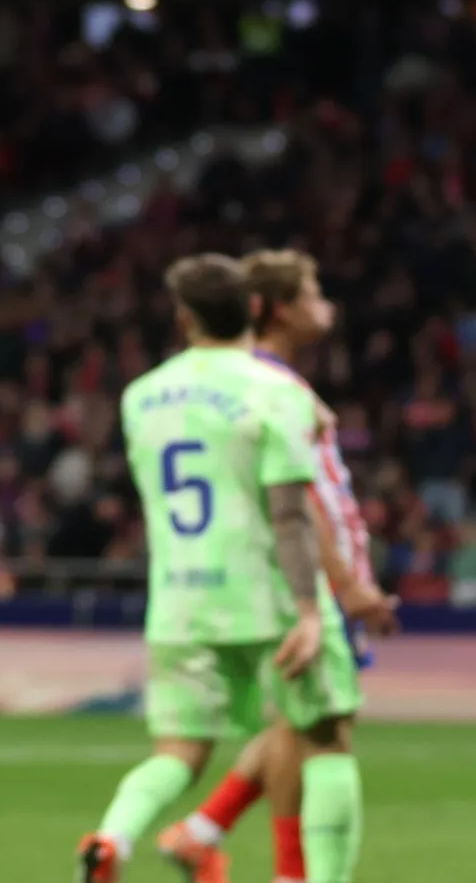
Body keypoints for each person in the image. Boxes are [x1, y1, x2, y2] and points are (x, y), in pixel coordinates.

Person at [77, 254, 363, 883]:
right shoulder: (278, 391)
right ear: (254, 309)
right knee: (324, 738)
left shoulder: (140, 396)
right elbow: (290, 513)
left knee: (177, 753)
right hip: (270, 596)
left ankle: (112, 838)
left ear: (184, 317)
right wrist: (313, 611)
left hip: (181, 600)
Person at [155, 250, 393, 883]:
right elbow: (297, 501)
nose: (328, 306)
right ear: (274, 308)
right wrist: (346, 584)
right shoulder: (268, 387)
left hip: (291, 577)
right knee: (320, 732)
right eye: (315, 293)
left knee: (300, 727)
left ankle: (202, 832)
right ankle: (286, 869)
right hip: (298, 579)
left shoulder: (260, 382)